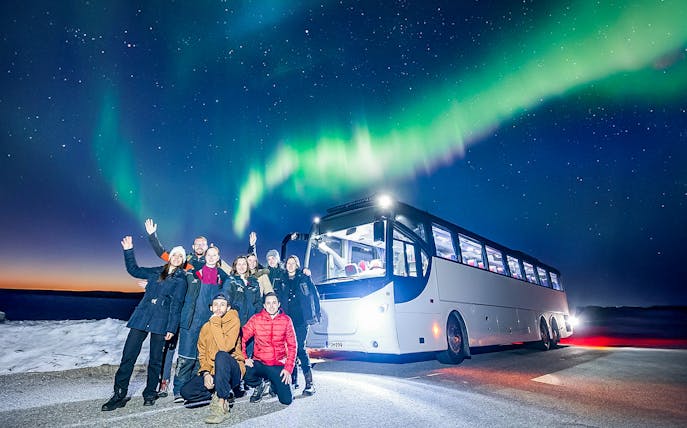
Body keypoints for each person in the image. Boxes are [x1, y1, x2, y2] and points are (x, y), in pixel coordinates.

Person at [101, 236, 187, 411]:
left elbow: (176, 305)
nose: (177, 258)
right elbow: (134, 270)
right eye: (175, 255)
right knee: (128, 356)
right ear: (170, 256)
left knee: (155, 360)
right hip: (141, 318)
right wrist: (128, 250)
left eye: (181, 257)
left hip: (161, 322)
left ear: (183, 261)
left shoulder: (181, 280)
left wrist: (172, 328)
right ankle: (119, 394)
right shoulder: (156, 271)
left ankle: (149, 393)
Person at [173, 245, 230, 402]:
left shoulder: (221, 276)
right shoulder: (195, 272)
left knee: (202, 357)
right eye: (208, 255)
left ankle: (195, 389)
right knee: (186, 356)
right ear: (205, 257)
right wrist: (155, 282)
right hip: (191, 320)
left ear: (218, 258)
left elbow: (229, 283)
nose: (211, 258)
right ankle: (178, 389)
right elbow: (175, 275)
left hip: (208, 323)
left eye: (214, 255)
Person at [181, 293, 245, 424]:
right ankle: (221, 391)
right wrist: (205, 373)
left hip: (232, 371)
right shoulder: (206, 327)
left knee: (221, 356)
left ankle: (222, 405)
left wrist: (215, 322)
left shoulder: (234, 321)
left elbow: (225, 348)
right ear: (211, 308)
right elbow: (202, 353)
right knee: (186, 392)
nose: (218, 308)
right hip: (214, 372)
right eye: (215, 305)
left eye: (222, 305)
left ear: (228, 308)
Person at [272, 255, 321, 395]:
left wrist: (316, 312)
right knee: (288, 349)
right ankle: (293, 381)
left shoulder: (304, 277)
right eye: (288, 263)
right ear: (285, 265)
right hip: (286, 319)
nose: (291, 265)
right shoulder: (282, 279)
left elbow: (314, 295)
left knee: (299, 349)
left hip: (301, 320)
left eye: (293, 263)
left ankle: (310, 383)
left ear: (297, 265)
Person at [241, 292, 297, 405]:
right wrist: (244, 357)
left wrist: (288, 368)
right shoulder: (256, 319)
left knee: (286, 401)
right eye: (268, 303)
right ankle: (259, 385)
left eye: (274, 303)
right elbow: (241, 338)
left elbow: (293, 346)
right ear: (264, 305)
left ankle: (274, 383)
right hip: (260, 362)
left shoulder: (286, 320)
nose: (271, 306)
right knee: (244, 371)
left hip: (278, 364)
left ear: (278, 304)